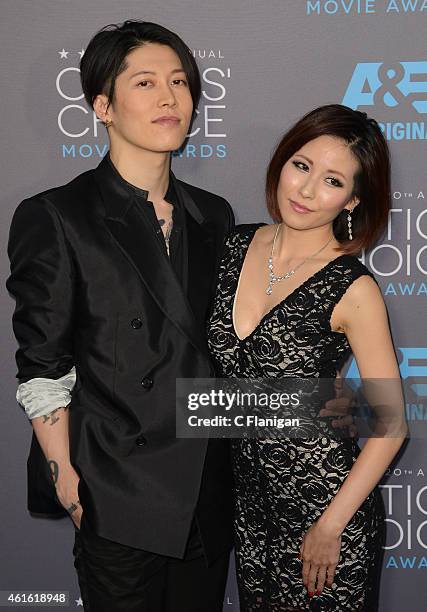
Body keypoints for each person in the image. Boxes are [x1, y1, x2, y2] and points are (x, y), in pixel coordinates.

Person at [7, 20, 236, 612]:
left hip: (204, 489)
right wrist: (67, 477)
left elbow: (223, 350)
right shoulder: (57, 215)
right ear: (102, 106)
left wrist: (338, 409)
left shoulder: (213, 215)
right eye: (146, 83)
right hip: (115, 489)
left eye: (180, 82)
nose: (169, 98)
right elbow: (41, 362)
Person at [207, 105, 407, 611]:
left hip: (324, 507)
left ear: (352, 200)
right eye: (301, 166)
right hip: (250, 510)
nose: (306, 189)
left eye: (332, 180)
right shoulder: (231, 246)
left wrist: (330, 526)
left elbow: (391, 424)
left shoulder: (352, 287)